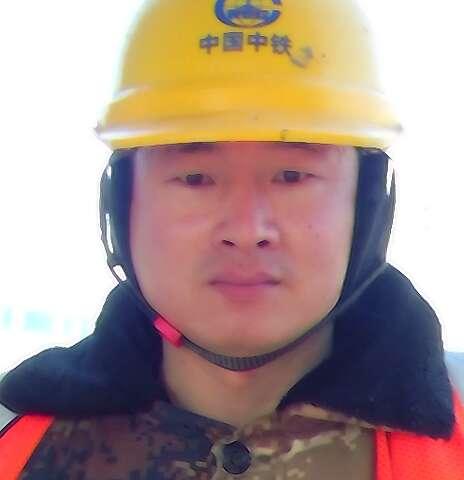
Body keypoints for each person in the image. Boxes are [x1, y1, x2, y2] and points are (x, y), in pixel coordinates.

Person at [1, 0, 464, 478]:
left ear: (367, 206)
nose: (246, 231)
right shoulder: (13, 441)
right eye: (196, 178)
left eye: (292, 176)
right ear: (122, 206)